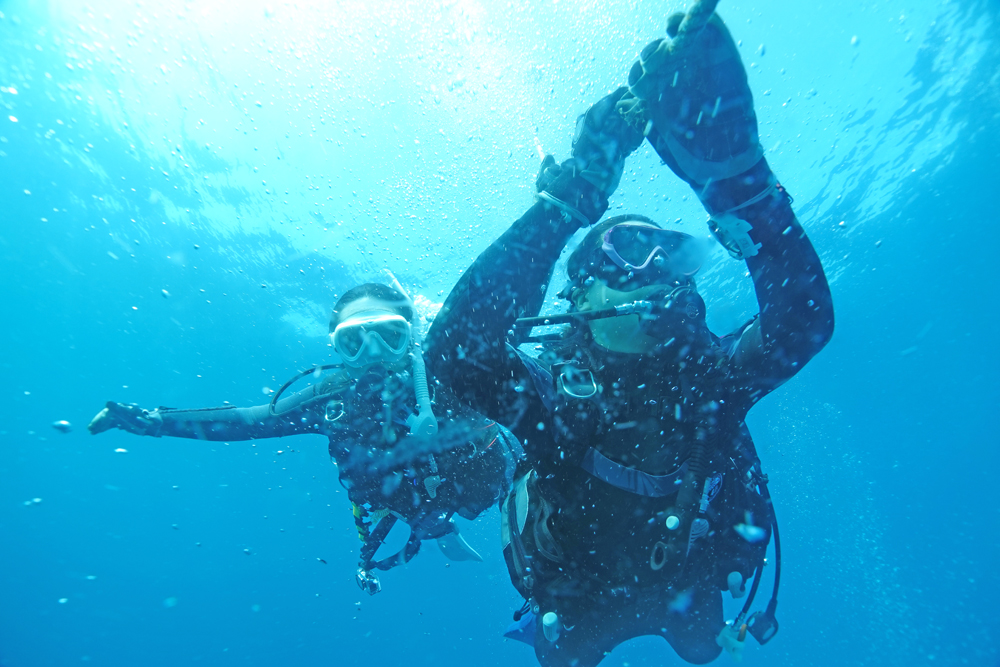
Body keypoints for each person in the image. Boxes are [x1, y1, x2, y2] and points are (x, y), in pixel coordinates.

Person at [425, 4, 833, 665]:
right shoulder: (552, 392)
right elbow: (452, 353)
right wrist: (571, 198)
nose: (650, 266)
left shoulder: (713, 375)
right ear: (579, 291)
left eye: (667, 253)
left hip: (687, 583)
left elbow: (803, 321)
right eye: (624, 250)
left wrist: (740, 182)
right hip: (577, 597)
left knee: (702, 650)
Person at [88, 281, 522, 595]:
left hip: (489, 477)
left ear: (411, 338)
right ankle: (436, 529)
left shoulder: (450, 375)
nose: (372, 354)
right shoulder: (331, 400)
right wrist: (156, 420)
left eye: (388, 337)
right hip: (414, 502)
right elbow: (246, 421)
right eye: (354, 341)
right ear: (336, 350)